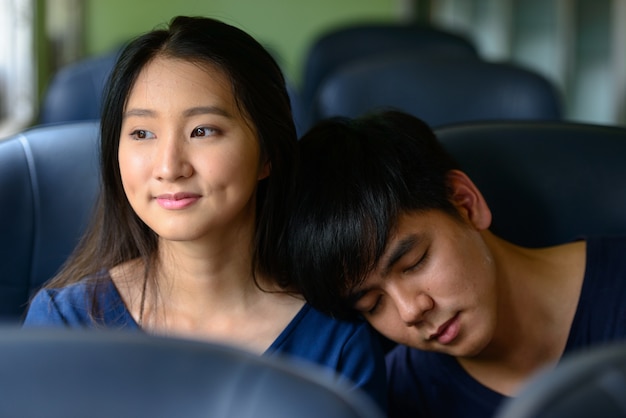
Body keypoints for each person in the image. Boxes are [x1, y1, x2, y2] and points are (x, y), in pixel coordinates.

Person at [23, 16, 386, 410]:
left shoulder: (337, 343)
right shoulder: (67, 324)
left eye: (202, 131)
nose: (169, 166)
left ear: (267, 154)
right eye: (142, 133)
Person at [285, 110, 626, 417]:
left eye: (414, 262)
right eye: (372, 304)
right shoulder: (402, 397)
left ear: (465, 202)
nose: (410, 311)